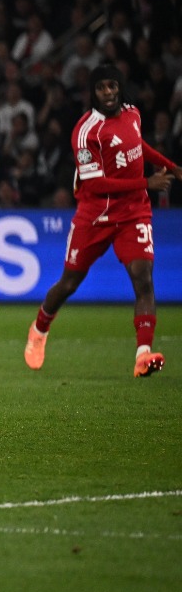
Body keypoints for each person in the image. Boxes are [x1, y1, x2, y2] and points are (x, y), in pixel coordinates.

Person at [25, 65, 175, 377]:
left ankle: (143, 355)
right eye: (101, 88)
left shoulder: (132, 113)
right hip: (95, 215)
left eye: (112, 86)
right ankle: (39, 330)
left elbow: (137, 147)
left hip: (134, 212)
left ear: (119, 87)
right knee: (69, 282)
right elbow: (94, 185)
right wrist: (147, 183)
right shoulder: (85, 132)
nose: (107, 92)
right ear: (93, 93)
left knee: (143, 278)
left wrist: (172, 166)